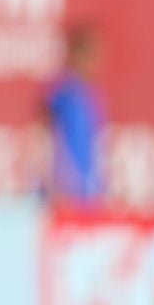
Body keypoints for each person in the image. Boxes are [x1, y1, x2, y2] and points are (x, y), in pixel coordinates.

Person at [42, 25, 107, 207]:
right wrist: (59, 180)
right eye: (89, 54)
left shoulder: (90, 92)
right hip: (66, 189)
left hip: (89, 188)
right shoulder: (62, 92)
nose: (94, 61)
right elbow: (46, 138)